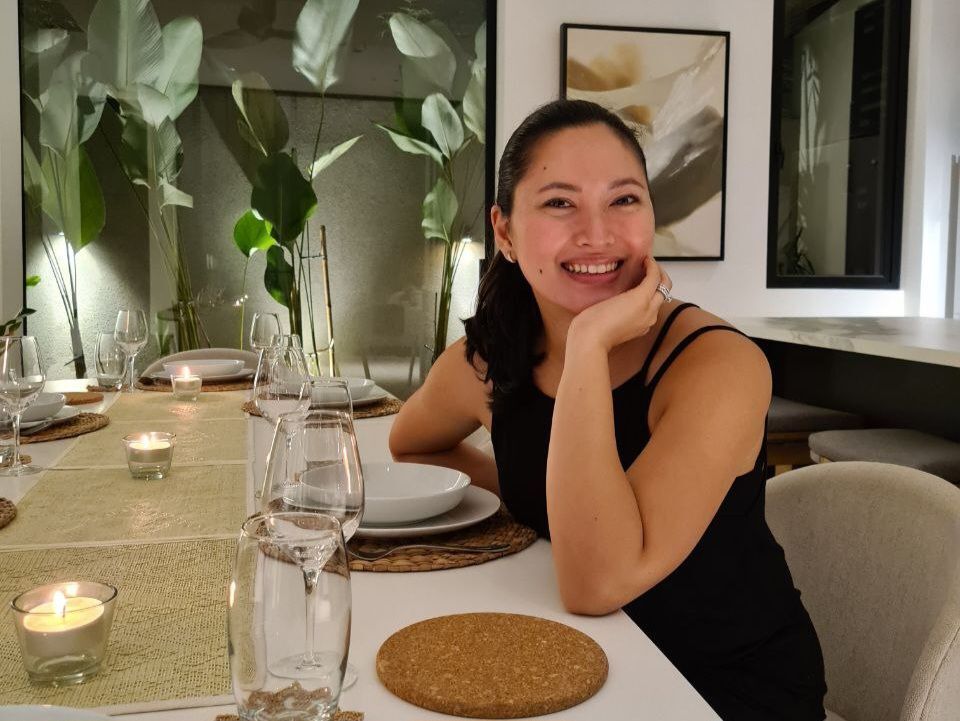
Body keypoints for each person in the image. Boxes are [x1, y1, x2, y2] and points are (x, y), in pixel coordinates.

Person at [389, 99, 827, 720]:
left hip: (717, 688)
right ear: (505, 231)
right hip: (565, 662)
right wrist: (536, 497)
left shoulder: (717, 365)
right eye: (560, 203)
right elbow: (412, 445)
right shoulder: (496, 353)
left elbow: (596, 585)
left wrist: (590, 344)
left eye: (624, 200)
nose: (597, 234)